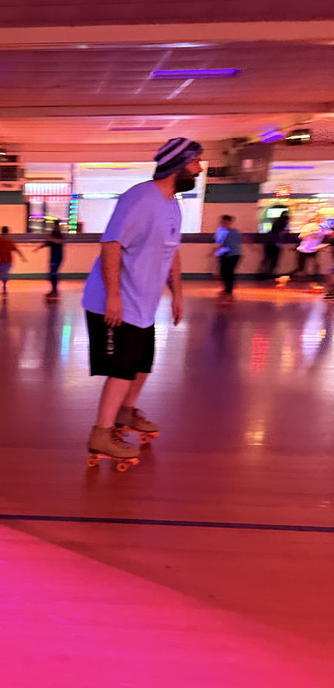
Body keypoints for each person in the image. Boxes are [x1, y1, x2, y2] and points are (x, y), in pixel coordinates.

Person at [81, 136, 203, 462]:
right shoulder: (139, 198)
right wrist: (113, 297)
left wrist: (177, 293)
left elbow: (172, 252)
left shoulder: (173, 205)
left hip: (144, 305)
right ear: (177, 166)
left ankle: (125, 412)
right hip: (115, 301)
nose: (200, 169)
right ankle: (101, 435)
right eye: (195, 163)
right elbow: (110, 244)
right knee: (122, 370)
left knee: (142, 367)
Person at [281, 212, 329, 289]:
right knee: (300, 268)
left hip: (314, 250)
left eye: (322, 218)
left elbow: (329, 234)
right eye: (319, 217)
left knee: (316, 266)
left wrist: (324, 244)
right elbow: (301, 236)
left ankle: (314, 284)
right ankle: (285, 278)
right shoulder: (308, 226)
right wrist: (311, 232)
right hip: (304, 250)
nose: (321, 219)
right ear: (315, 218)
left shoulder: (323, 228)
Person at [213, 215, 243, 299]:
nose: (223, 223)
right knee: (224, 272)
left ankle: (229, 289)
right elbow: (220, 243)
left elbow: (224, 244)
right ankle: (227, 288)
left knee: (229, 272)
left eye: (225, 222)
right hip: (225, 254)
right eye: (222, 222)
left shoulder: (234, 232)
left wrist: (216, 251)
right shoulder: (221, 231)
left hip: (233, 254)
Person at [34, 220, 65, 298]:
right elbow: (47, 243)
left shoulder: (59, 235)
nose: (55, 227)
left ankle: (54, 288)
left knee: (53, 273)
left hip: (58, 257)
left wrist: (50, 238)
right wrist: (38, 248)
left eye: (56, 225)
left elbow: (59, 241)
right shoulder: (53, 234)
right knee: (52, 273)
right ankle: (53, 288)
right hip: (53, 257)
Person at [259, 211, 289, 280]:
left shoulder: (275, 223)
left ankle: (264, 274)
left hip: (269, 243)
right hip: (275, 244)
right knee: (274, 260)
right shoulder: (282, 226)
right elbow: (281, 234)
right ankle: (270, 274)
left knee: (267, 259)